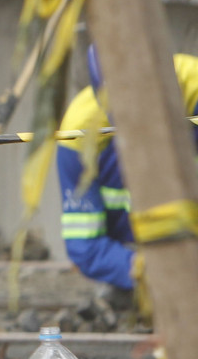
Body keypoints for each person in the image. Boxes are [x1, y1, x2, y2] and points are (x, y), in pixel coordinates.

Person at [56, 45, 198, 293]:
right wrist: (148, 272)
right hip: (140, 258)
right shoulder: (79, 132)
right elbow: (85, 245)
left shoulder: (193, 87)